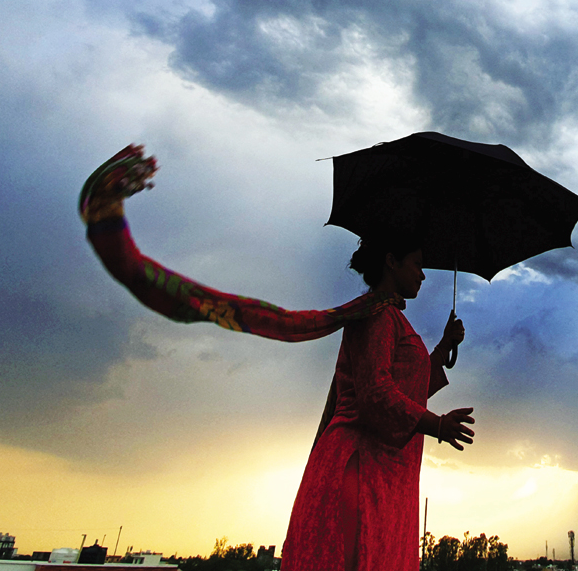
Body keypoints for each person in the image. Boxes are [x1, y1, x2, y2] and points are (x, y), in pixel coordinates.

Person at [80, 145, 475, 571]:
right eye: (417, 264)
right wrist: (436, 424)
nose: (422, 273)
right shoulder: (378, 317)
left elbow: (404, 389)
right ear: (391, 261)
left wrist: (441, 350)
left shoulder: (391, 319)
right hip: (361, 473)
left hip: (385, 477)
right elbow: (376, 396)